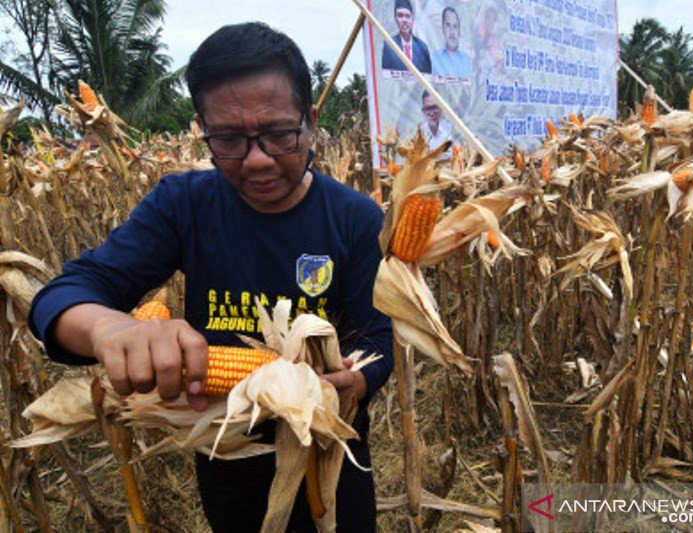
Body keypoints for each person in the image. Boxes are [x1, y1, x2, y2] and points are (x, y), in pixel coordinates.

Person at [28, 22, 393, 532]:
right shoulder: (184, 205)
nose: (258, 159)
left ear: (310, 122)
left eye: (279, 134)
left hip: (331, 452)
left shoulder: (356, 219)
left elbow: (377, 339)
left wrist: (357, 379)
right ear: (202, 129)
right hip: (225, 451)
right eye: (228, 139)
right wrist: (113, 330)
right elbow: (62, 296)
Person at [381, 0, 432, 73]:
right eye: (400, 15)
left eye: (407, 16)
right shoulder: (389, 46)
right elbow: (386, 76)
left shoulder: (423, 48)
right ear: (395, 18)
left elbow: (428, 76)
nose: (404, 20)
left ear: (413, 19)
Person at [432, 7, 472, 78]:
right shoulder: (434, 59)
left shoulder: (468, 62)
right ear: (443, 28)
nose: (452, 31)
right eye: (448, 26)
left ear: (459, 31)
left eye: (455, 26)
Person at [421, 90, 452, 155]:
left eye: (434, 108)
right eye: (428, 108)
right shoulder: (420, 133)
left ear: (442, 108)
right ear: (423, 111)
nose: (432, 113)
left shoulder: (451, 131)